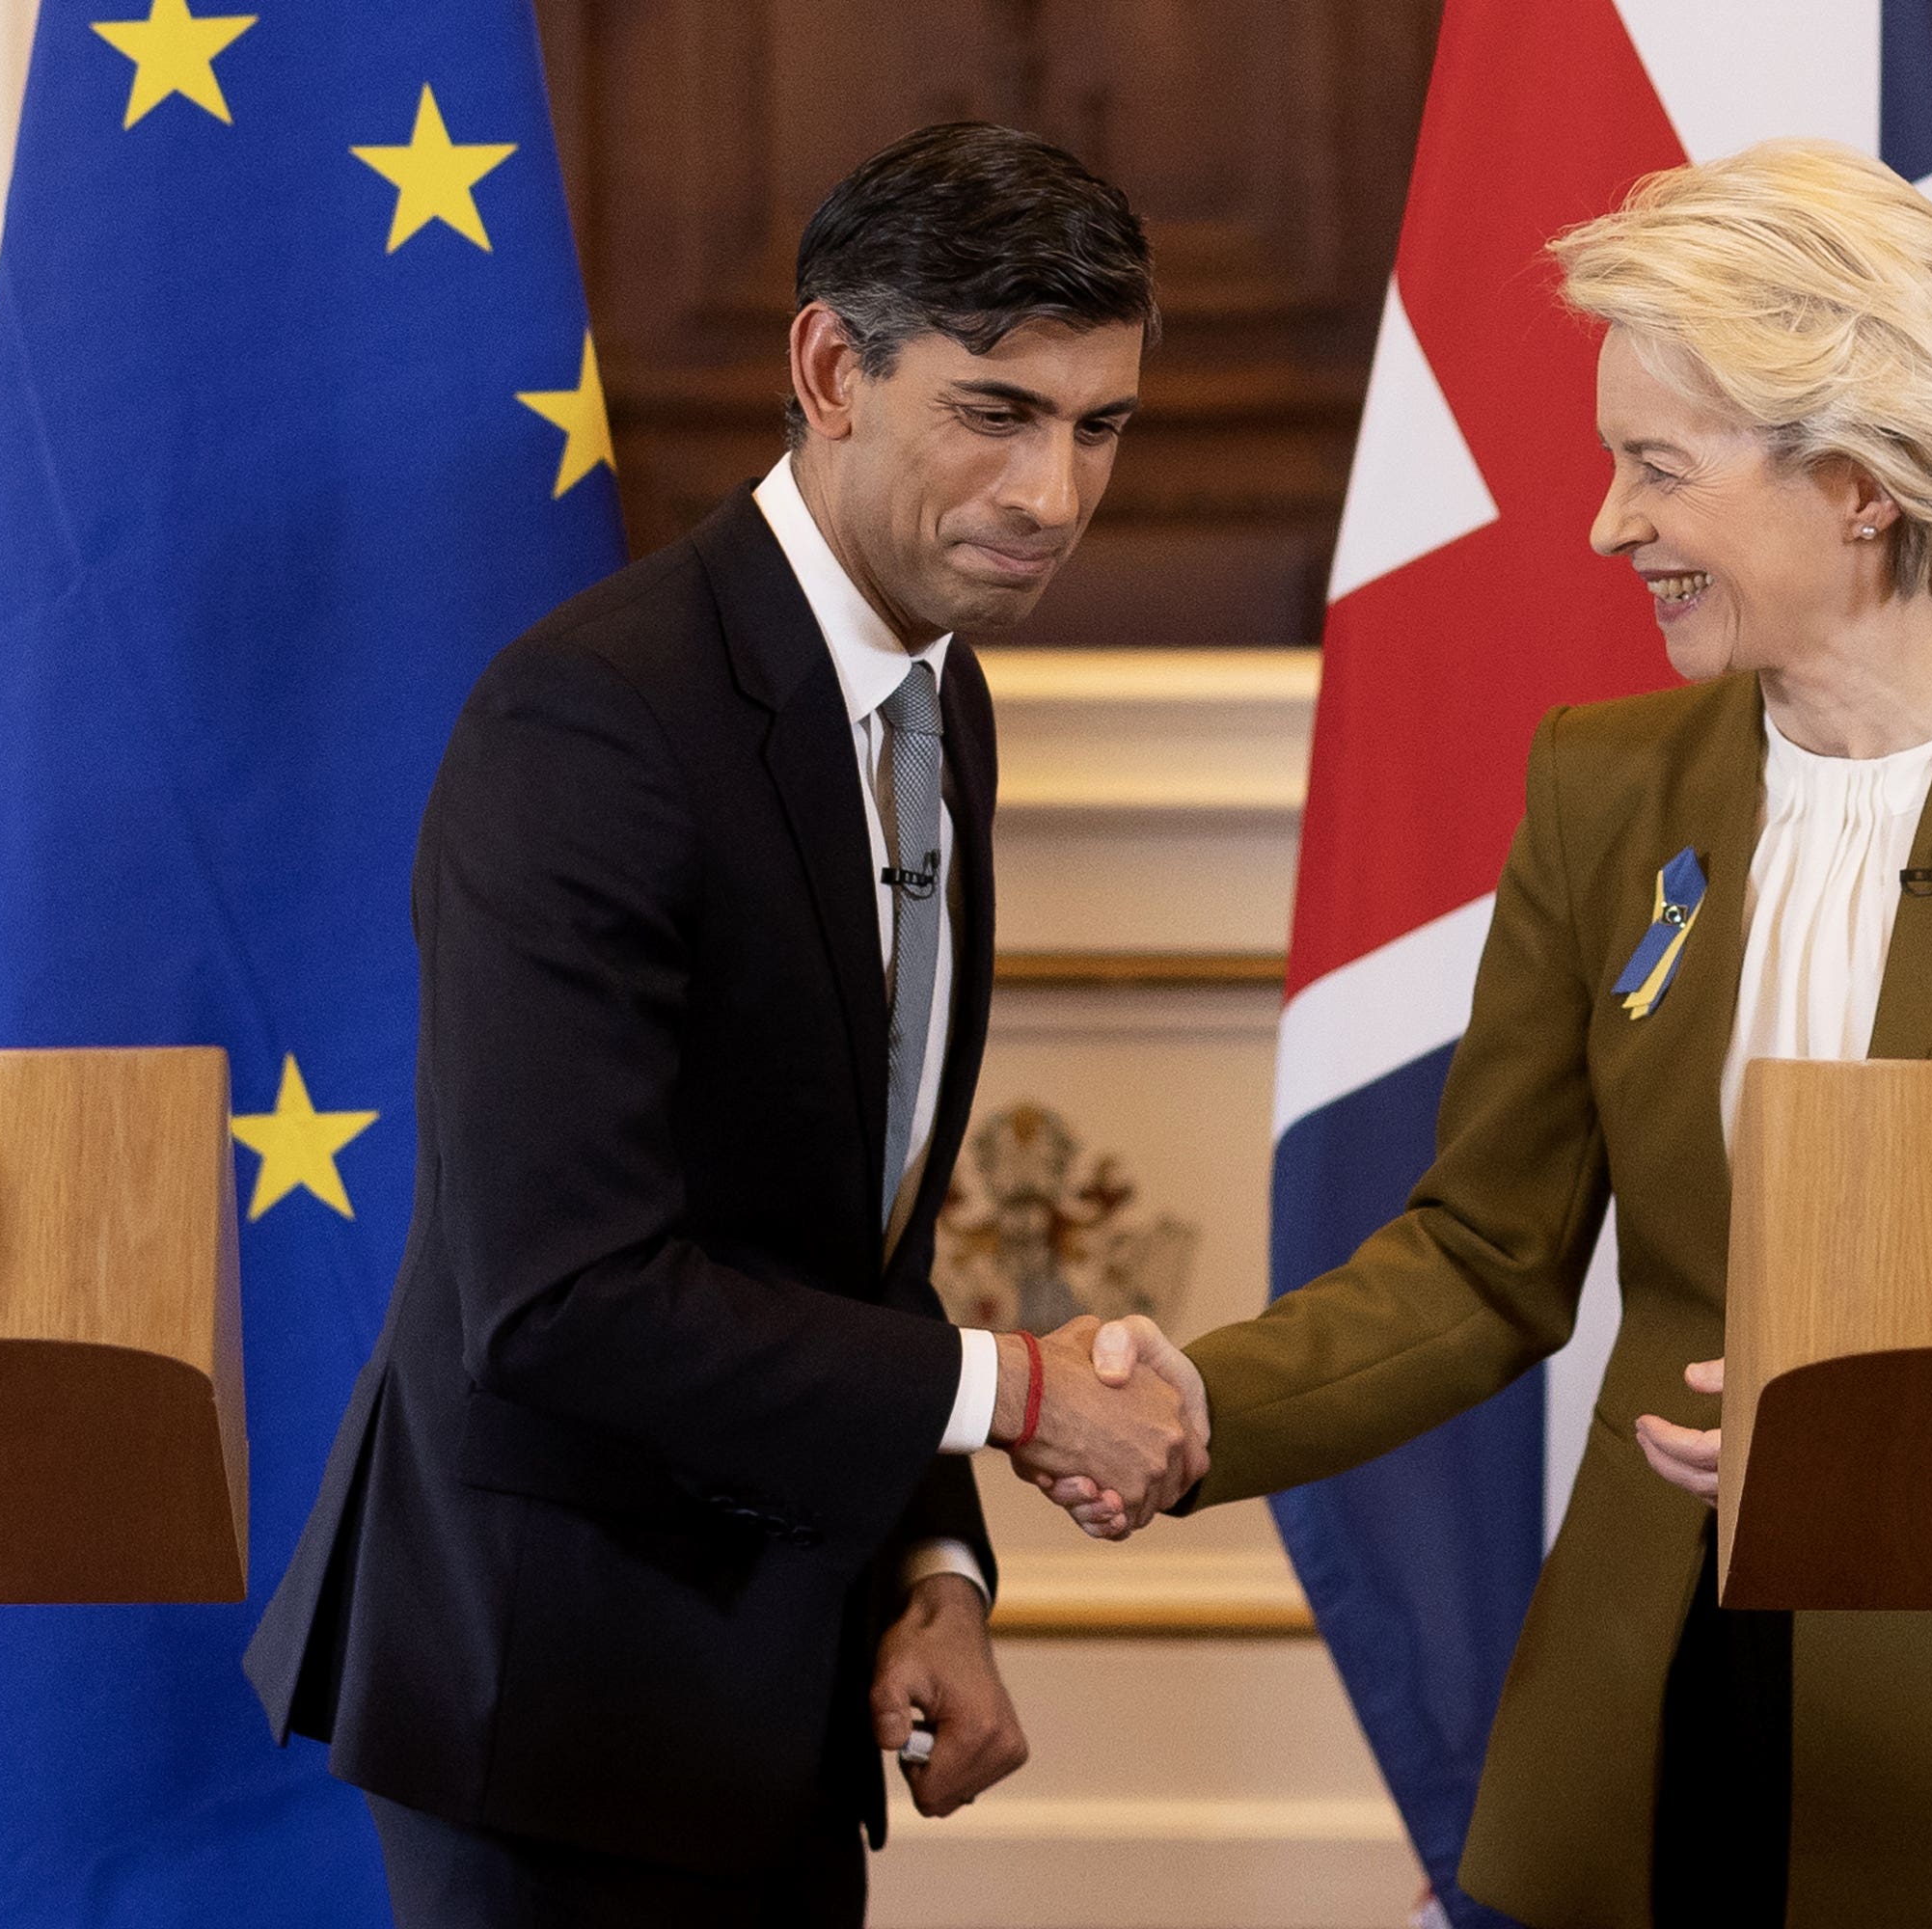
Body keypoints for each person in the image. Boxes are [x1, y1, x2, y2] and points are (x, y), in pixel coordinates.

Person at [1065, 140, 1932, 1927]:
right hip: (1663, 1700)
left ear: (1859, 484)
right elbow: (1485, 1256)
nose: (1606, 524)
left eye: (1657, 467)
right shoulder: (1603, 789)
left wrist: (1915, 1455)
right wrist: (1204, 1408)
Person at [243, 122, 1205, 1928]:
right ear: (831, 369)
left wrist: (935, 1568)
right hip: (553, 1709)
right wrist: (1019, 1398)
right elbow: (563, 1295)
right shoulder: (593, 723)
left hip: (776, 1685)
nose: (1054, 495)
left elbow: (854, 1234)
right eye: (995, 412)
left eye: (1100, 428)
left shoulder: (943, 696)